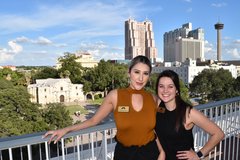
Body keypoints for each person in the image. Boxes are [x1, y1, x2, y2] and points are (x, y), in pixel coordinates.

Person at [43, 55, 165, 160]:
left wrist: (162, 152)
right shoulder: (115, 96)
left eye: (145, 73)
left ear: (149, 76)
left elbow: (164, 124)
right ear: (129, 72)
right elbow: (94, 120)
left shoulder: (153, 99)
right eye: (136, 72)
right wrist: (65, 130)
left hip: (150, 153)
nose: (140, 78)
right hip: (124, 155)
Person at [154, 70, 224, 160]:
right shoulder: (159, 105)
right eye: (161, 86)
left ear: (177, 90)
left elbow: (218, 134)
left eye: (170, 86)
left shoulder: (188, 113)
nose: (165, 90)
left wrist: (198, 155)